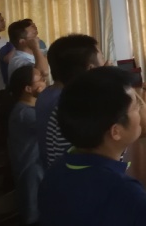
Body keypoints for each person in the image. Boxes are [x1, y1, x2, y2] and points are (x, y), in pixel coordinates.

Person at [38, 66, 146, 226]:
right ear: (116, 131)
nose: (141, 110)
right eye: (136, 107)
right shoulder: (118, 189)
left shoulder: (57, 170)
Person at [37, 34, 106, 168]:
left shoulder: (47, 94)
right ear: (91, 69)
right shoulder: (71, 103)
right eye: (102, 57)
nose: (106, 62)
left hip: (53, 171)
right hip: (72, 173)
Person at [3, 65, 46, 226]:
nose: (44, 80)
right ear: (28, 88)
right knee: (35, 216)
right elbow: (53, 121)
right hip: (30, 173)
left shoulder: (28, 108)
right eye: (40, 79)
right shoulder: (24, 114)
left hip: (33, 170)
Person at [0, 19, 48, 85]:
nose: (38, 39)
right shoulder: (17, 61)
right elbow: (44, 72)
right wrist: (36, 48)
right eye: (34, 36)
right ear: (22, 42)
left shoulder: (35, 54)